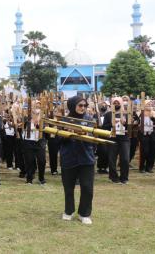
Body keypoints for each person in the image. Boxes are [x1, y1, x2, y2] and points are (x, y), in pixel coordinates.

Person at [60, 96, 95, 225]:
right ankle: (68, 211)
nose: (83, 108)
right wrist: (67, 135)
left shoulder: (89, 119)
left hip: (86, 158)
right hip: (69, 158)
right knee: (68, 187)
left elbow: (93, 136)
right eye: (80, 105)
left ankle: (84, 214)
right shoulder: (64, 120)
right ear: (72, 105)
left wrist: (85, 135)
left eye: (85, 106)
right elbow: (57, 140)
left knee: (87, 187)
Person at [102, 97, 130, 184]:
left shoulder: (126, 114)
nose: (116, 104)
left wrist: (125, 123)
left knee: (125, 158)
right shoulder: (108, 114)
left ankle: (124, 177)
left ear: (121, 103)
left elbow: (131, 128)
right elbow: (104, 127)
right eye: (114, 103)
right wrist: (112, 123)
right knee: (112, 159)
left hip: (124, 139)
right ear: (112, 104)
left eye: (118, 102)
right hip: (112, 138)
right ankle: (114, 177)